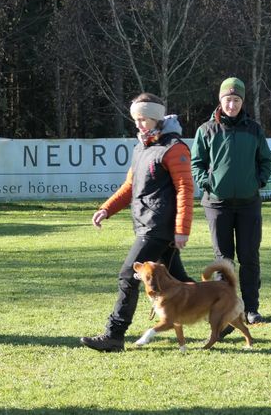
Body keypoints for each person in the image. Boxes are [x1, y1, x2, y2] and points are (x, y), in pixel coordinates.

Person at [80, 93, 196, 352]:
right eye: (136, 120)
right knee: (178, 277)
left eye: (144, 119)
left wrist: (181, 229)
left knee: (128, 276)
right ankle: (223, 316)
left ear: (156, 118)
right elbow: (131, 186)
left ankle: (114, 335)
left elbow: (185, 190)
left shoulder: (174, 148)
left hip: (158, 226)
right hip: (147, 223)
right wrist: (106, 209)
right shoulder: (141, 147)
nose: (139, 125)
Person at [190, 77, 271, 324]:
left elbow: (266, 161)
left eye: (236, 100)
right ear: (220, 100)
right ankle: (225, 311)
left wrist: (258, 181)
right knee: (223, 261)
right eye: (228, 99)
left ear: (242, 102)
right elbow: (197, 163)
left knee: (249, 257)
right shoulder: (206, 130)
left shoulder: (254, 130)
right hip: (217, 204)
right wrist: (208, 183)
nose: (232, 105)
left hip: (249, 203)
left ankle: (250, 308)